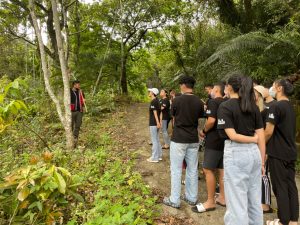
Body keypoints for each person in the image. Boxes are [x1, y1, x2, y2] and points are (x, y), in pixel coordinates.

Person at [217, 75, 265, 225]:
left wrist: (253, 139)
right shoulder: (253, 106)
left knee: (237, 204)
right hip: (254, 154)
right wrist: (262, 162)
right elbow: (261, 136)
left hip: (237, 154)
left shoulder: (225, 106)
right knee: (254, 201)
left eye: (226, 85)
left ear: (230, 87)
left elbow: (233, 136)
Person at [163, 75, 204, 208]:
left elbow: (173, 117)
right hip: (193, 138)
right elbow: (198, 119)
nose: (180, 86)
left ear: (184, 85)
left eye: (180, 84)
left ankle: (174, 199)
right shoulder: (199, 101)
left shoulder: (177, 100)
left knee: (176, 169)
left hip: (179, 138)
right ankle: (191, 197)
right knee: (192, 169)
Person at [265, 79, 299, 225]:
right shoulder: (290, 106)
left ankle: (283, 221)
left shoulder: (275, 106)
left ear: (279, 88)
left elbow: (268, 132)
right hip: (290, 152)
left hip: (278, 153)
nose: (271, 88)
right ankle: (293, 220)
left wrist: (261, 145)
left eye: (273, 86)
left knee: (280, 187)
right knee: (291, 185)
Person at [193, 82, 226, 213]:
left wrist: (204, 131)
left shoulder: (213, 102)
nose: (210, 91)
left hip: (214, 140)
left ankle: (210, 201)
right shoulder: (227, 102)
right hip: (225, 140)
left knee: (207, 169)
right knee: (222, 169)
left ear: (216, 90)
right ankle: (223, 198)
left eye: (212, 89)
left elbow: (211, 120)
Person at [254, 85, 273, 214]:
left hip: (263, 147)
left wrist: (263, 149)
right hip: (254, 146)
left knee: (263, 174)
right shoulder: (254, 110)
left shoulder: (265, 111)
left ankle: (265, 204)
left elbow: (267, 132)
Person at [147, 88, 162, 163]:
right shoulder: (157, 101)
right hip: (156, 123)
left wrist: (158, 123)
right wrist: (159, 122)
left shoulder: (153, 101)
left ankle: (154, 157)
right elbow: (160, 113)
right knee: (157, 139)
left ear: (153, 93)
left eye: (150, 91)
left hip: (153, 123)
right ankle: (159, 156)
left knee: (154, 140)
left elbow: (155, 113)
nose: (148, 92)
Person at [70, 80, 85, 147]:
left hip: (79, 111)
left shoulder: (81, 91)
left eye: (79, 84)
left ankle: (75, 139)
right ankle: (70, 139)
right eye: (77, 84)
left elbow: (83, 100)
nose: (79, 85)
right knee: (71, 126)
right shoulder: (69, 91)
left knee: (78, 125)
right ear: (74, 85)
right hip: (72, 112)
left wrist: (84, 100)